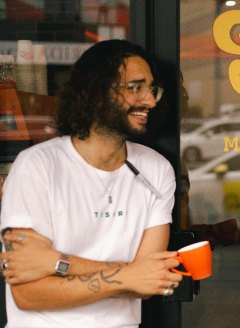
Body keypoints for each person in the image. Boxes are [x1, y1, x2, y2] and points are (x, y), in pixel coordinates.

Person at [0, 39, 183, 327]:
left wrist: (57, 264)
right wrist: (129, 275)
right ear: (97, 92)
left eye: (152, 89)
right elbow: (28, 293)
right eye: (135, 87)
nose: (149, 100)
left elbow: (149, 280)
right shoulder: (37, 166)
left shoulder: (156, 169)